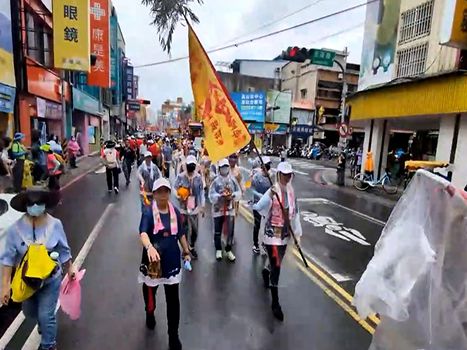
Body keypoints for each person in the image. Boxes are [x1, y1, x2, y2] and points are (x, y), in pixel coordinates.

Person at [1, 187, 76, 350]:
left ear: (45, 204)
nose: (35, 206)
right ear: (26, 205)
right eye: (32, 203)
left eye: (39, 202)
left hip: (51, 279)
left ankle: (48, 344)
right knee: (31, 313)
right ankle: (44, 324)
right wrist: (5, 285)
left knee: (46, 315)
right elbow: (7, 258)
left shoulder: (55, 225)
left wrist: (70, 269)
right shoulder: (15, 229)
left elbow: (64, 249)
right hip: (26, 281)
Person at [138, 178, 191, 350]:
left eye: (165, 191)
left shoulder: (175, 211)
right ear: (154, 194)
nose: (162, 194)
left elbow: (181, 234)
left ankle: (173, 336)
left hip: (171, 261)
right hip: (153, 263)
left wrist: (186, 251)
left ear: (169, 193)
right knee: (150, 292)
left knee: (173, 301)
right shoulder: (148, 212)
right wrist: (149, 247)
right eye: (159, 191)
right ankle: (150, 312)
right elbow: (143, 233)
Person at [253, 162, 302, 321]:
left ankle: (266, 271)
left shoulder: (291, 191)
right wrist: (269, 197)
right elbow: (258, 207)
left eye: (289, 174)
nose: (287, 177)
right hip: (271, 234)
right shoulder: (272, 190)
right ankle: (275, 302)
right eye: (284, 174)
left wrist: (298, 233)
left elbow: (295, 212)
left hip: (284, 235)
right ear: (279, 174)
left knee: (276, 262)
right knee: (277, 266)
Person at [209, 159, 242, 262]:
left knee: (230, 230)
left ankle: (228, 249)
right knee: (217, 230)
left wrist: (232, 195)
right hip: (218, 209)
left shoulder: (233, 180)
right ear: (219, 168)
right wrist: (219, 196)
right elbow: (211, 194)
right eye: (223, 167)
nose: (225, 169)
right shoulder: (215, 181)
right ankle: (218, 249)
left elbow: (238, 192)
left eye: (226, 166)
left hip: (230, 209)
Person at [174, 155, 205, 259]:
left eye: (192, 165)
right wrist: (178, 196)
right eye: (189, 165)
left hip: (194, 208)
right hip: (183, 208)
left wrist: (202, 206)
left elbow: (201, 192)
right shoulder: (181, 177)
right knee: (184, 229)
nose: (190, 167)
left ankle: (191, 246)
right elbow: (174, 188)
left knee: (195, 230)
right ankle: (185, 249)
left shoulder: (198, 177)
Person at [250, 156, 272, 254]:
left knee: (267, 226)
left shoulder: (272, 177)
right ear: (262, 166)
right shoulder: (256, 177)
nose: (267, 168)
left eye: (268, 166)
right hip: (257, 203)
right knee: (257, 224)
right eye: (265, 166)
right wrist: (260, 195)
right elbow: (252, 189)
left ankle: (265, 243)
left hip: (268, 205)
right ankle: (255, 244)